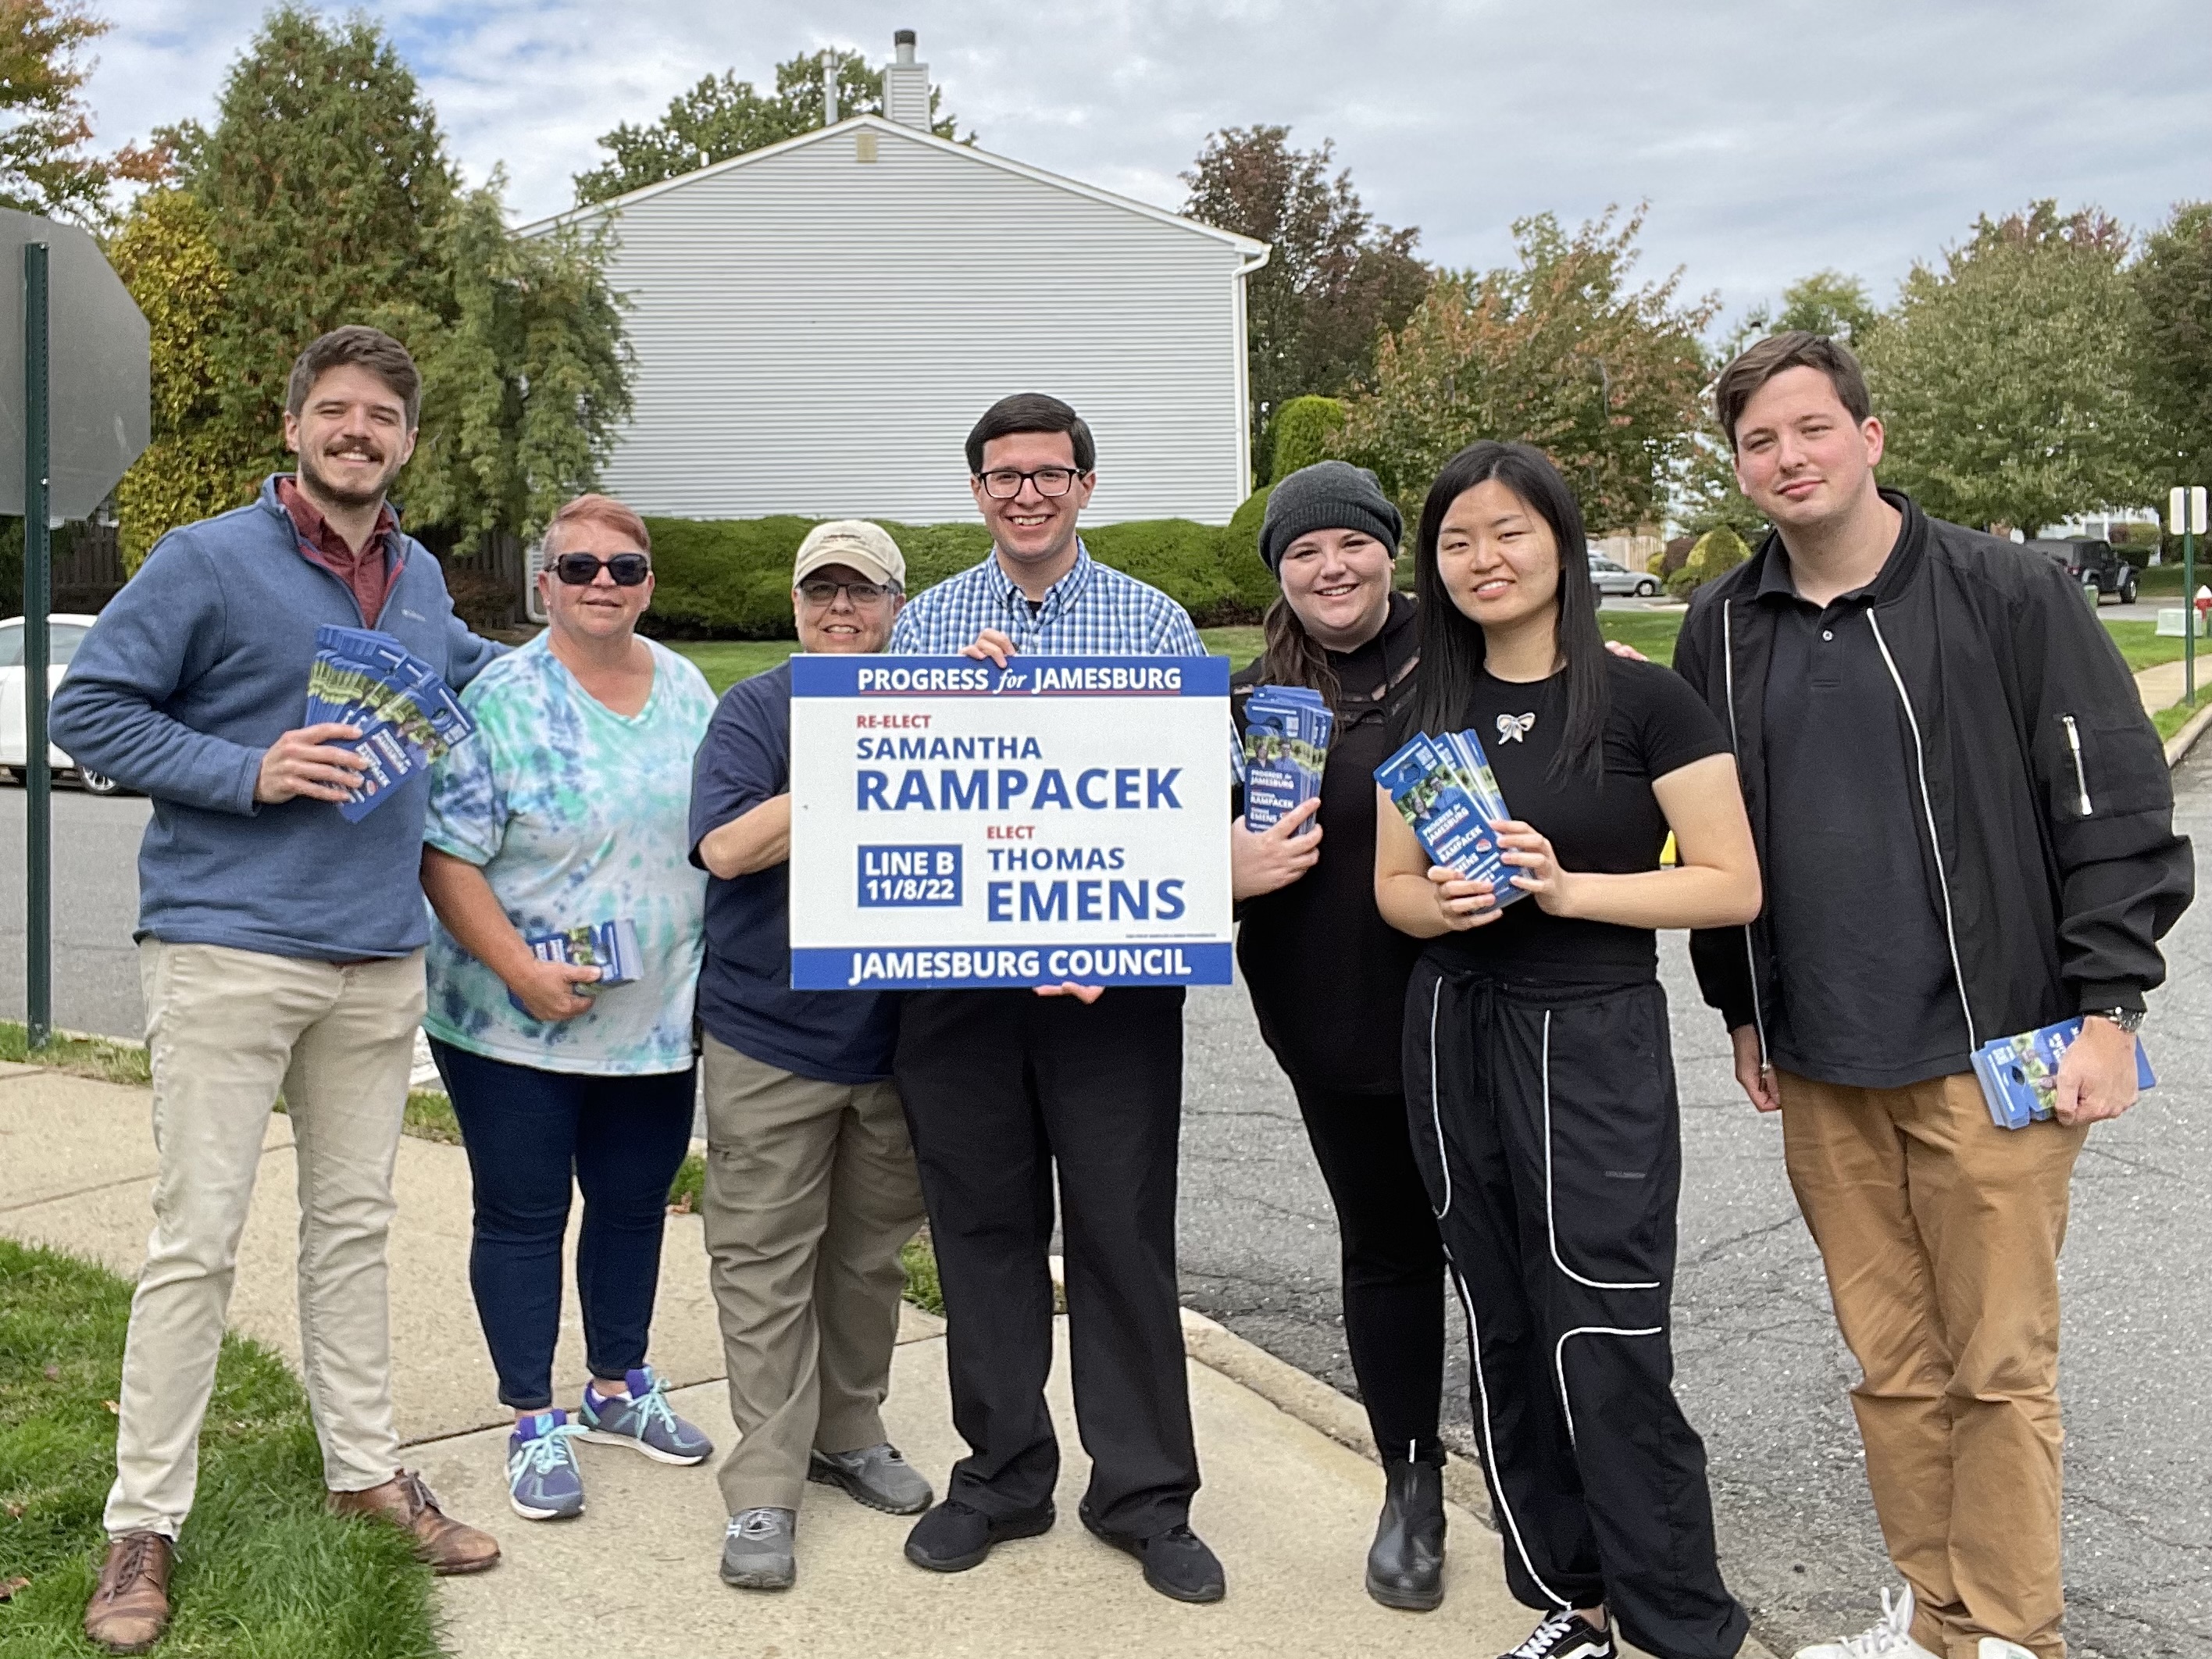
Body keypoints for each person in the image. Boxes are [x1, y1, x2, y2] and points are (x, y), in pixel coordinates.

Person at [1671, 334, 2193, 1659]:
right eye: (1758, 442)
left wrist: (2111, 1010)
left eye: (1809, 429)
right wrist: (1740, 1004)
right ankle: (1937, 1624)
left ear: (1871, 436)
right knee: (1895, 1372)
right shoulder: (1721, 627)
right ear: (1739, 468)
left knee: (1999, 1371)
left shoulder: (2008, 590)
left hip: (1994, 1049)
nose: (1787, 458)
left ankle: (2014, 1634)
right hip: (1820, 1059)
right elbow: (1709, 837)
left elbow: (2111, 801)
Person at [49, 326, 505, 1654]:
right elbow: (93, 713)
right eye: (337, 411)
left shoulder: (418, 579)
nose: (359, 432)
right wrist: (249, 769)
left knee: (355, 1228)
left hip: (375, 958)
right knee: (197, 1241)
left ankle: (366, 1471)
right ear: (294, 422)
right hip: (227, 947)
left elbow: (493, 687)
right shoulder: (204, 558)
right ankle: (147, 1524)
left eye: (383, 417)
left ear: (406, 441)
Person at [1375, 441, 1761, 1659]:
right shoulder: (1426, 708)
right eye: (1456, 540)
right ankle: (1571, 1602)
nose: (1484, 558)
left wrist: (1567, 889)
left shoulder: (1646, 699)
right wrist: (1445, 907)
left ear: (1561, 542)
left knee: (1604, 1328)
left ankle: (1682, 1626)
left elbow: (1732, 883)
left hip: (1591, 1037)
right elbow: (1393, 889)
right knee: (1502, 1321)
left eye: (1509, 532)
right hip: (1454, 1028)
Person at [886, 393, 1225, 1604]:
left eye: (1048, 472)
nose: (1025, 491)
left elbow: (1192, 806)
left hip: (1109, 987)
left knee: (1123, 1233)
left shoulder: (1154, 620)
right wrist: (955, 711)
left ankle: (1144, 1495)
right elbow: (893, 789)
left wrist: (1120, 935)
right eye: (1002, 475)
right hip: (962, 992)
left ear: (1086, 485)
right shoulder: (924, 627)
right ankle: (1002, 1476)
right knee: (981, 1232)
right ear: (977, 491)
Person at [417, 493, 719, 1525]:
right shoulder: (500, 698)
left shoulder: (686, 691)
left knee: (635, 1205)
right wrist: (517, 967)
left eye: (624, 569)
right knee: (523, 1214)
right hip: (511, 1020)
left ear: (647, 585)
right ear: (544, 582)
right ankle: (532, 1414)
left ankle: (617, 1385)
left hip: (655, 1020)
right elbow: (445, 856)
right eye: (579, 567)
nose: (603, 584)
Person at [687, 521, 931, 1593]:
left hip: (897, 1044)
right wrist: (851, 750)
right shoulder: (758, 711)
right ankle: (763, 1493)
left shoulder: (932, 698)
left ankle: (850, 1431)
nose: (843, 610)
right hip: (771, 1037)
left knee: (868, 1259)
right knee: (764, 1265)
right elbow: (729, 845)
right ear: (795, 607)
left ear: (894, 606)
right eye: (822, 592)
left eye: (864, 594)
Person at [1228, 461, 1450, 1611]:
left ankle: (1548, 1479)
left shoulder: (1466, 652)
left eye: (1352, 544)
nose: (1331, 568)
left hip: (1475, 1007)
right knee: (1388, 1249)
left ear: (1388, 548)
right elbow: (1150, 842)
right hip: (1329, 1016)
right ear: (1280, 570)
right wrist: (1216, 863)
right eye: (1303, 552)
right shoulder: (1255, 692)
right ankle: (1412, 1479)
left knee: (1511, 1256)